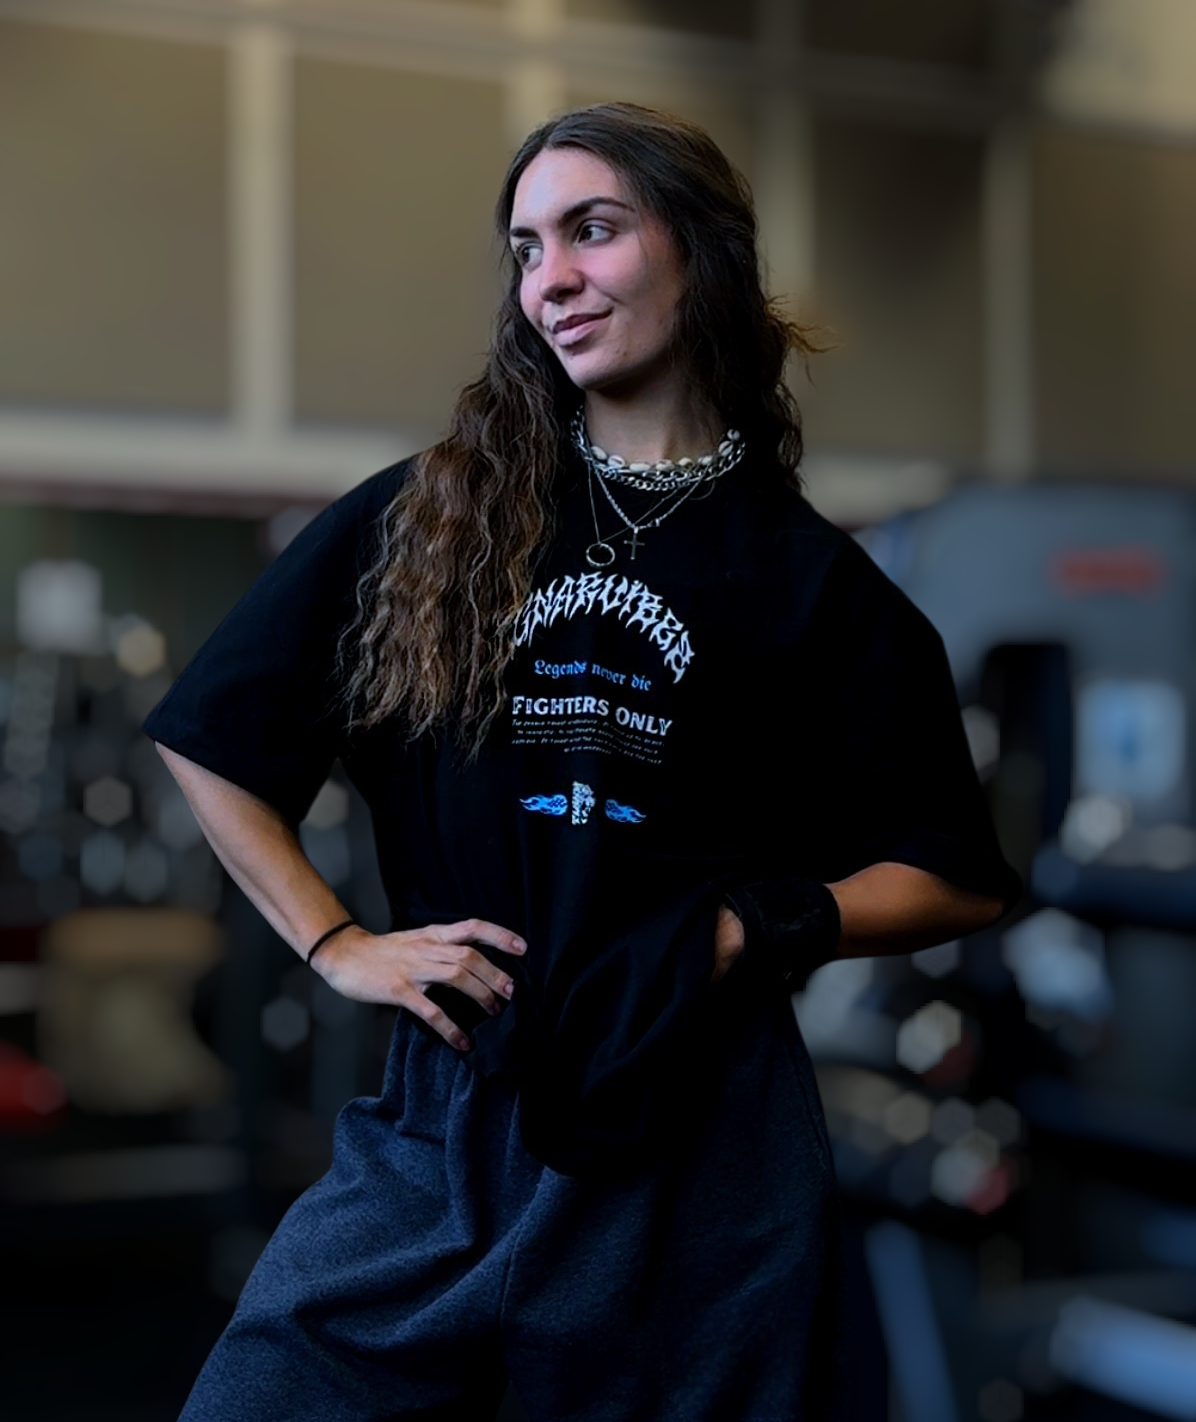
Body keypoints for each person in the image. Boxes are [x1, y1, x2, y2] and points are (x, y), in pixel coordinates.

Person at [147, 103, 1017, 1422]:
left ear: (699, 250)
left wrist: (753, 924)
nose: (549, 276)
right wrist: (336, 942)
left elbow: (957, 873)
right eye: (526, 248)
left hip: (701, 1158)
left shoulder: (812, 584)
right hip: (444, 1126)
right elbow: (211, 735)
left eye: (591, 230)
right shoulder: (431, 516)